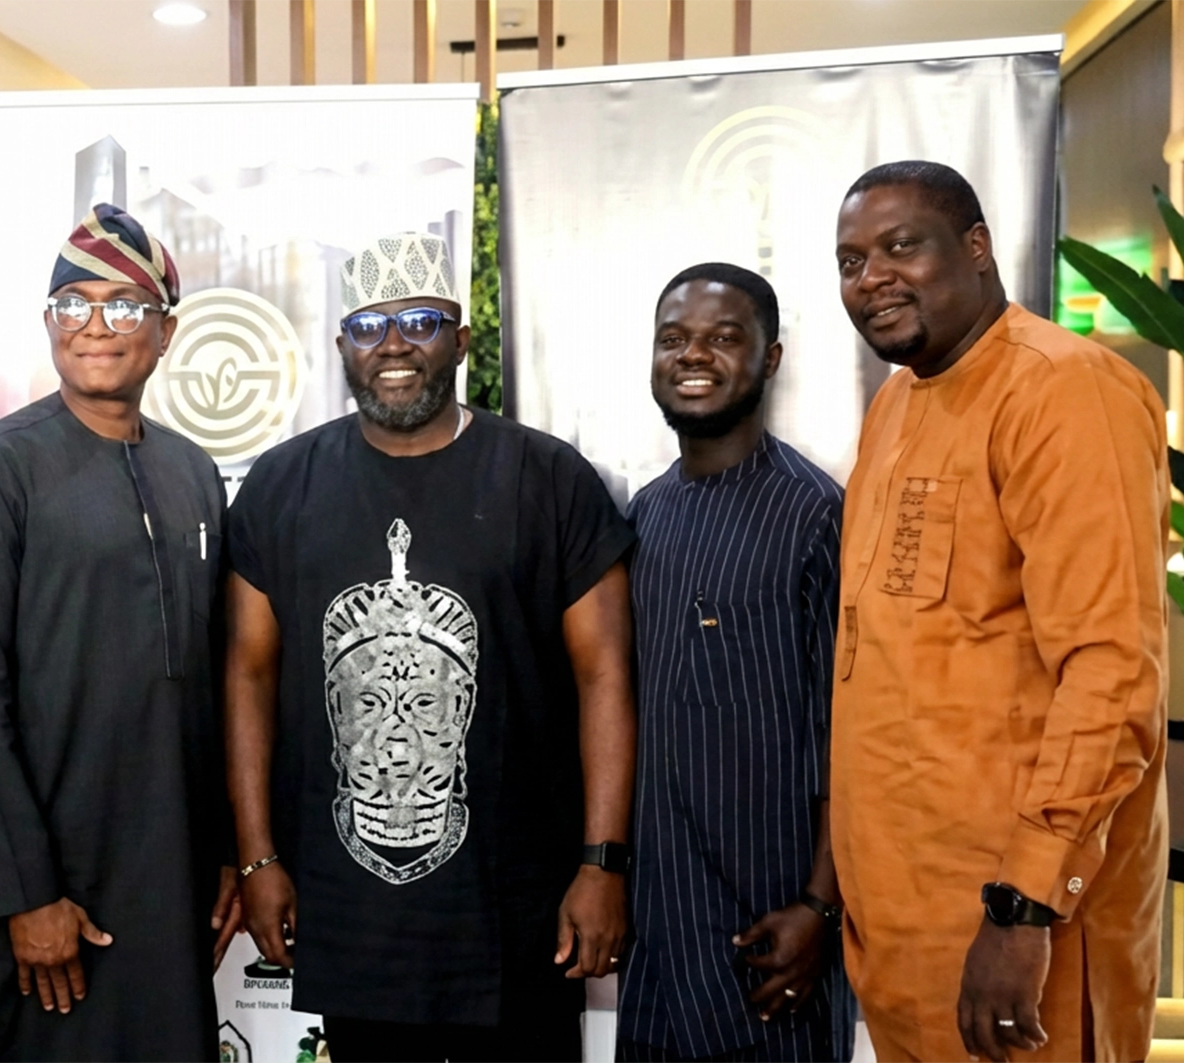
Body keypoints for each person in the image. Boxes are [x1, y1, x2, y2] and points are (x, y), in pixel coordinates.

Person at [226, 232, 638, 1062]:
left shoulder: (549, 479)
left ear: (460, 337)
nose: (394, 345)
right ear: (341, 344)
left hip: (518, 909)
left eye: (419, 319)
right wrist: (257, 855)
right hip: (350, 913)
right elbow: (248, 672)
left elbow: (605, 675)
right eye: (369, 324)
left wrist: (601, 864)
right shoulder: (280, 484)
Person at [829, 161, 1166, 1062]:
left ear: (976, 247)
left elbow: (1111, 670)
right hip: (906, 932)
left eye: (903, 246)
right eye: (851, 261)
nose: (873, 279)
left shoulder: (1064, 391)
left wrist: (1024, 905)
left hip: (1016, 930)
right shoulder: (896, 403)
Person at [0, 203, 235, 1062]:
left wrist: (223, 855)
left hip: (169, 879)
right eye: (75, 305)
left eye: (125, 307)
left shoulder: (193, 472)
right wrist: (26, 892)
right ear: (50, 323)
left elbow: (207, 684)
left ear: (165, 332)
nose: (96, 326)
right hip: (55, 892)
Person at [615, 264, 851, 1063]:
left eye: (724, 338)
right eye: (674, 338)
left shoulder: (815, 514)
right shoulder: (645, 512)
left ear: (772, 358)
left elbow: (847, 735)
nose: (694, 355)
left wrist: (821, 907)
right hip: (657, 947)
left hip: (769, 950)